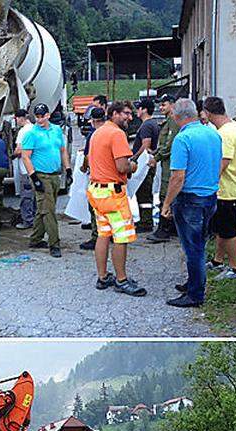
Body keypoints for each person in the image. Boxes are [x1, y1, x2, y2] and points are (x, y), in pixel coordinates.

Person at [161, 98, 221, 308]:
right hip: (210, 197)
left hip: (190, 200)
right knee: (199, 244)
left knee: (193, 249)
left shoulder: (182, 139)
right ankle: (193, 282)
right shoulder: (213, 133)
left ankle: (195, 294)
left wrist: (166, 203)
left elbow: (178, 177)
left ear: (177, 117)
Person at [87, 101, 147, 297]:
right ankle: (121, 280)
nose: (130, 117)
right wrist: (135, 167)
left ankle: (102, 277)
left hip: (97, 191)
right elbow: (122, 166)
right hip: (113, 193)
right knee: (121, 237)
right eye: (126, 114)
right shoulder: (117, 134)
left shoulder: (98, 132)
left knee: (103, 234)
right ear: (114, 114)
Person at [203, 96, 236, 281]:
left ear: (207, 113)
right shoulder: (231, 126)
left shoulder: (225, 134)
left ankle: (234, 268)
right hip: (228, 187)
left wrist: (208, 182)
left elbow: (223, 161)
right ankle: (218, 261)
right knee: (221, 227)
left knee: (229, 230)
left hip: (230, 188)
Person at [21, 102, 71, 258]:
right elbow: (25, 156)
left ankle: (35, 239)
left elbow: (63, 151)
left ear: (48, 115)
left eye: (42, 116)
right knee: (49, 210)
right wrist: (34, 177)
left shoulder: (56, 130)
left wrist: (68, 169)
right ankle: (54, 244)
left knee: (44, 208)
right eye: (37, 116)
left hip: (55, 175)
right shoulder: (31, 134)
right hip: (41, 175)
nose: (40, 119)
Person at [146, 94, 179, 243]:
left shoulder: (173, 121)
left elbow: (170, 144)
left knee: (166, 194)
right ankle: (171, 227)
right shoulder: (169, 121)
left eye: (164, 105)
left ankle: (164, 230)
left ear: (172, 105)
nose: (161, 108)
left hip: (170, 164)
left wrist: (157, 157)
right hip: (167, 162)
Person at [79, 105, 106, 251]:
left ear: (93, 120)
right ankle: (110, 234)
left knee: (95, 208)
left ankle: (97, 237)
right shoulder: (113, 132)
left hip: (96, 177)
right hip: (111, 178)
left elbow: (88, 156)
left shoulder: (93, 135)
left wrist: (83, 167)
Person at [131, 98, 160, 233]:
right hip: (148, 164)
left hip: (145, 166)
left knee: (143, 193)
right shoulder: (152, 124)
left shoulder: (147, 125)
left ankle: (146, 221)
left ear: (144, 110)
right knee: (144, 193)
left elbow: (146, 145)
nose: (137, 111)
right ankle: (145, 219)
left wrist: (134, 158)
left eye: (139, 108)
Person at [13, 109, 35, 230]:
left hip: (26, 169)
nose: (16, 121)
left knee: (26, 196)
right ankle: (35, 219)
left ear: (20, 118)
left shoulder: (23, 131)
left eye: (16, 119)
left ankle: (27, 221)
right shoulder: (35, 128)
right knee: (36, 196)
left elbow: (19, 149)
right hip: (35, 168)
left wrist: (12, 155)